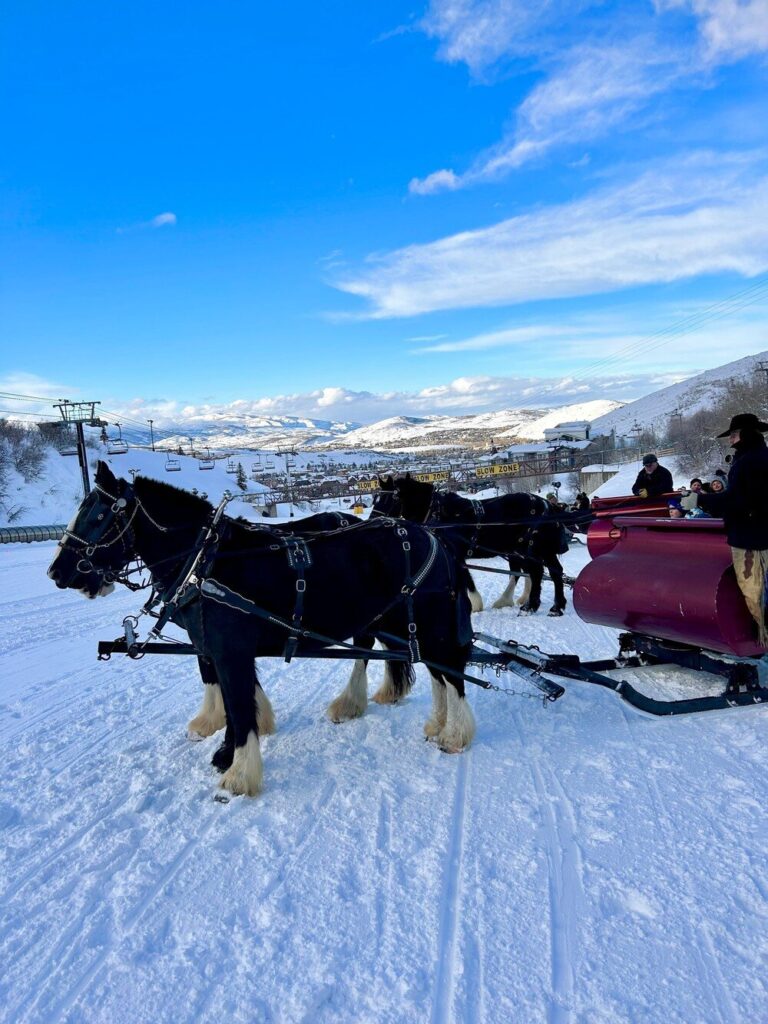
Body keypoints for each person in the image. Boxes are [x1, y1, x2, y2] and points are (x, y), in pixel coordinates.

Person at [681, 413, 768, 643]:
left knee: (755, 594)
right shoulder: (759, 457)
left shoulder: (749, 462)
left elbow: (736, 501)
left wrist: (699, 500)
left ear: (747, 434)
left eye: (734, 434)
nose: (730, 439)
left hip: (752, 541)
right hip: (757, 535)